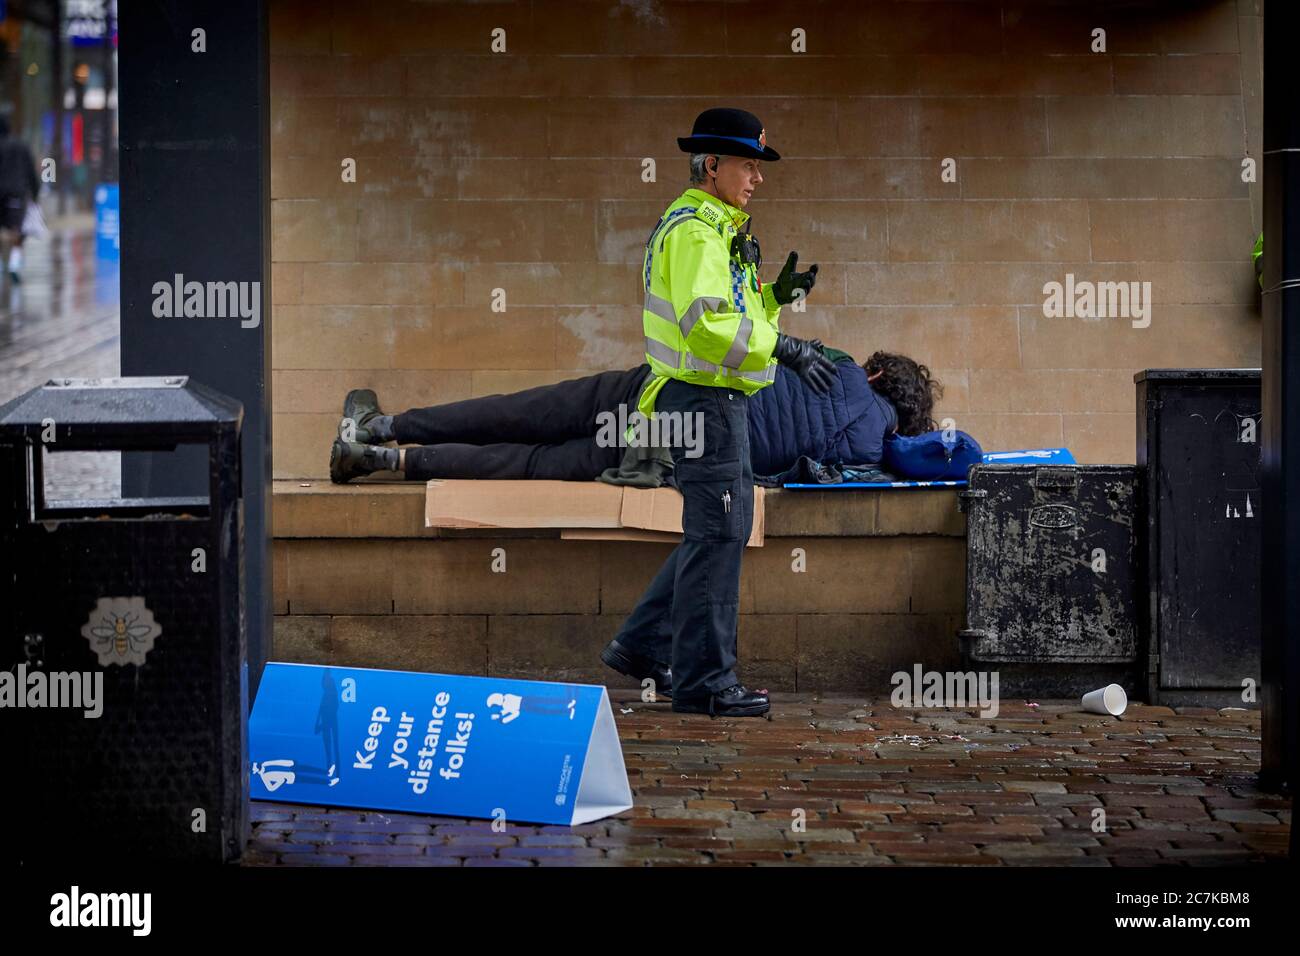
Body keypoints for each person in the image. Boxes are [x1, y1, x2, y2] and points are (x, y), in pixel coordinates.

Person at [327, 347, 942, 484]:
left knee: (517, 413)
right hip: (666, 453)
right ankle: (381, 460)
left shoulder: (837, 367)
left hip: (652, 394)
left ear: (880, 374)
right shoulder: (864, 457)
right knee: (527, 461)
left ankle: (382, 425)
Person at [0, 115, 40, 285]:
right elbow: (31, 171)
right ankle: (15, 264)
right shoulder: (21, 146)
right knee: (17, 229)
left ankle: (1, 266)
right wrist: (35, 194)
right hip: (17, 193)